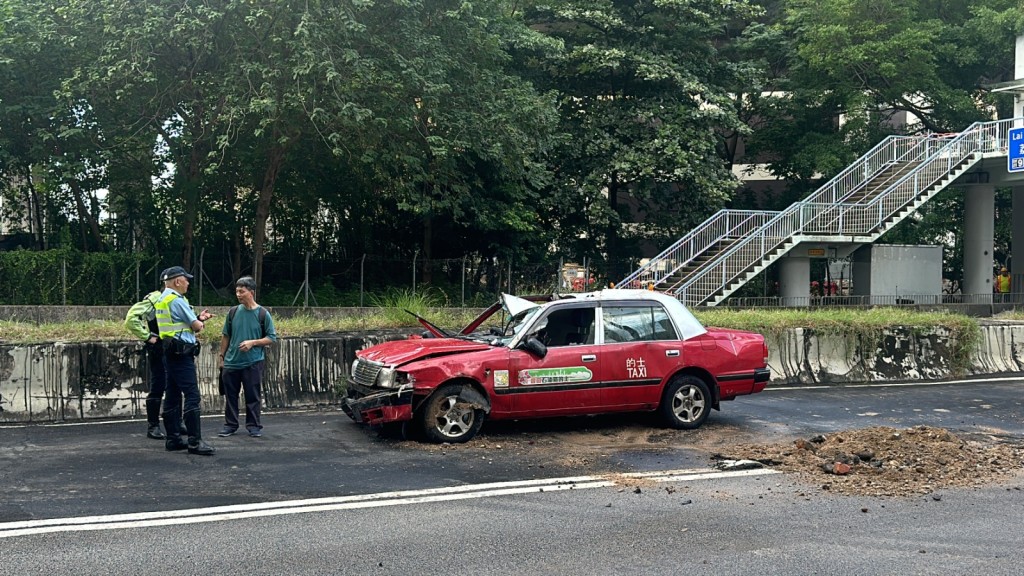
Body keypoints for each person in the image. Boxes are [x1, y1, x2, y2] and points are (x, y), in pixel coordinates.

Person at [156, 265, 216, 455]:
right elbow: (196, 326)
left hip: (169, 351)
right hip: (182, 354)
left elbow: (177, 324)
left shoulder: (161, 299)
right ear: (177, 281)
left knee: (172, 395)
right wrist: (201, 322)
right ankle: (194, 442)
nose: (188, 283)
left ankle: (173, 439)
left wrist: (197, 319)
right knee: (192, 395)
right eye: (186, 279)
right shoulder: (177, 299)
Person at [217, 276, 277, 438]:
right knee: (230, 396)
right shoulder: (233, 312)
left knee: (253, 396)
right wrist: (221, 356)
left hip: (253, 362)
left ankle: (254, 426)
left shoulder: (263, 314)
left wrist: (253, 342)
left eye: (241, 291)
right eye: (237, 291)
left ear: (251, 292)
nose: (238, 294)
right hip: (231, 362)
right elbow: (226, 336)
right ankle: (230, 425)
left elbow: (271, 338)